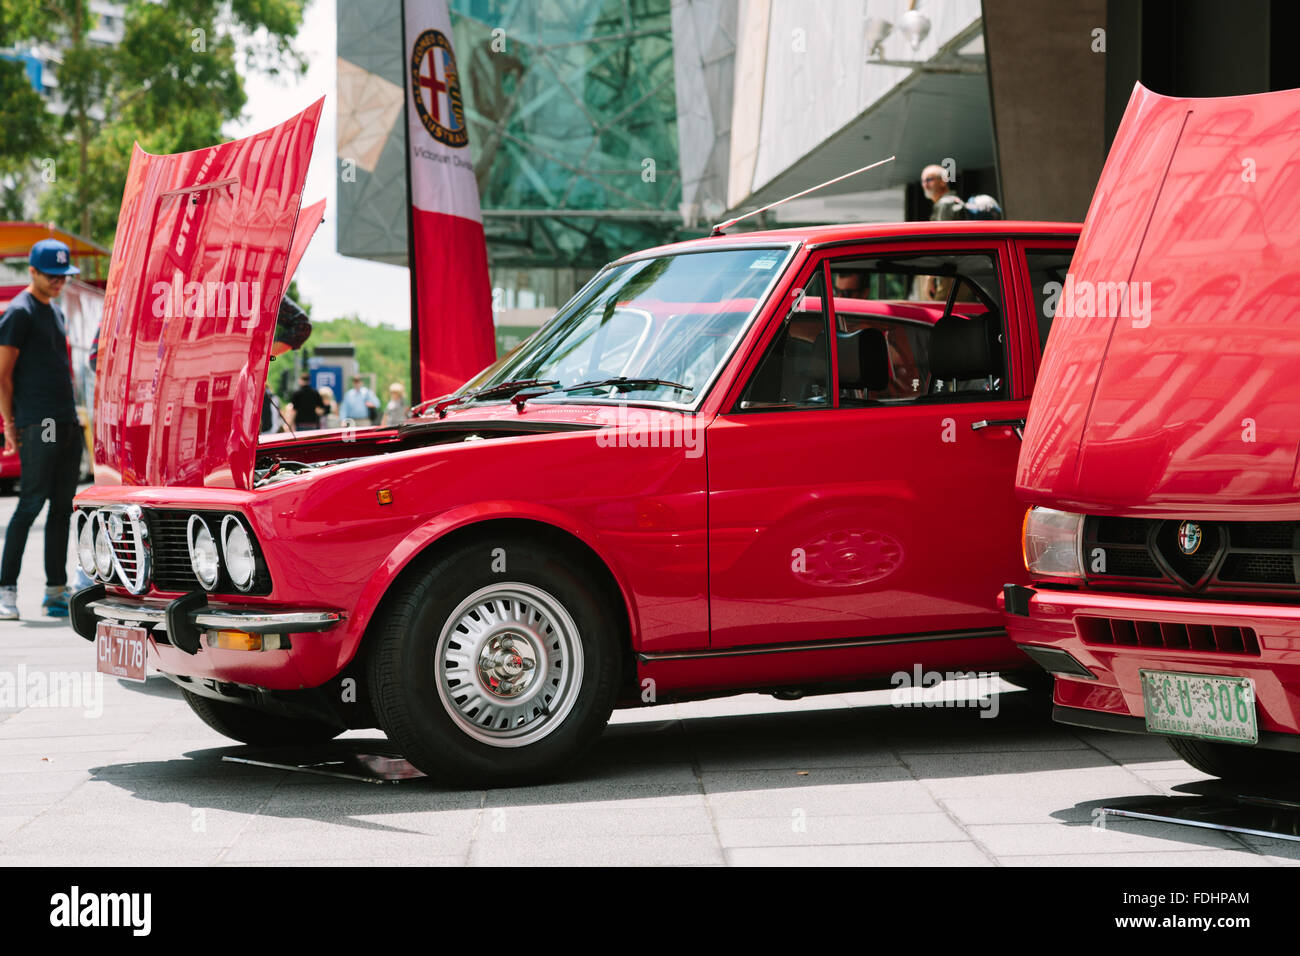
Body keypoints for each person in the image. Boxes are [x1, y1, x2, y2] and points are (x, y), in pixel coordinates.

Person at [0, 239, 85, 618]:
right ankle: (6, 591)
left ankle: (55, 591)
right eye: (52, 275)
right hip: (43, 422)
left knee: (62, 509)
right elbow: (2, 375)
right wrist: (9, 425)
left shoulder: (55, 312)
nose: (58, 282)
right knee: (31, 503)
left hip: (66, 420)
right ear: (32, 271)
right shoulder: (19, 312)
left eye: (63, 276)